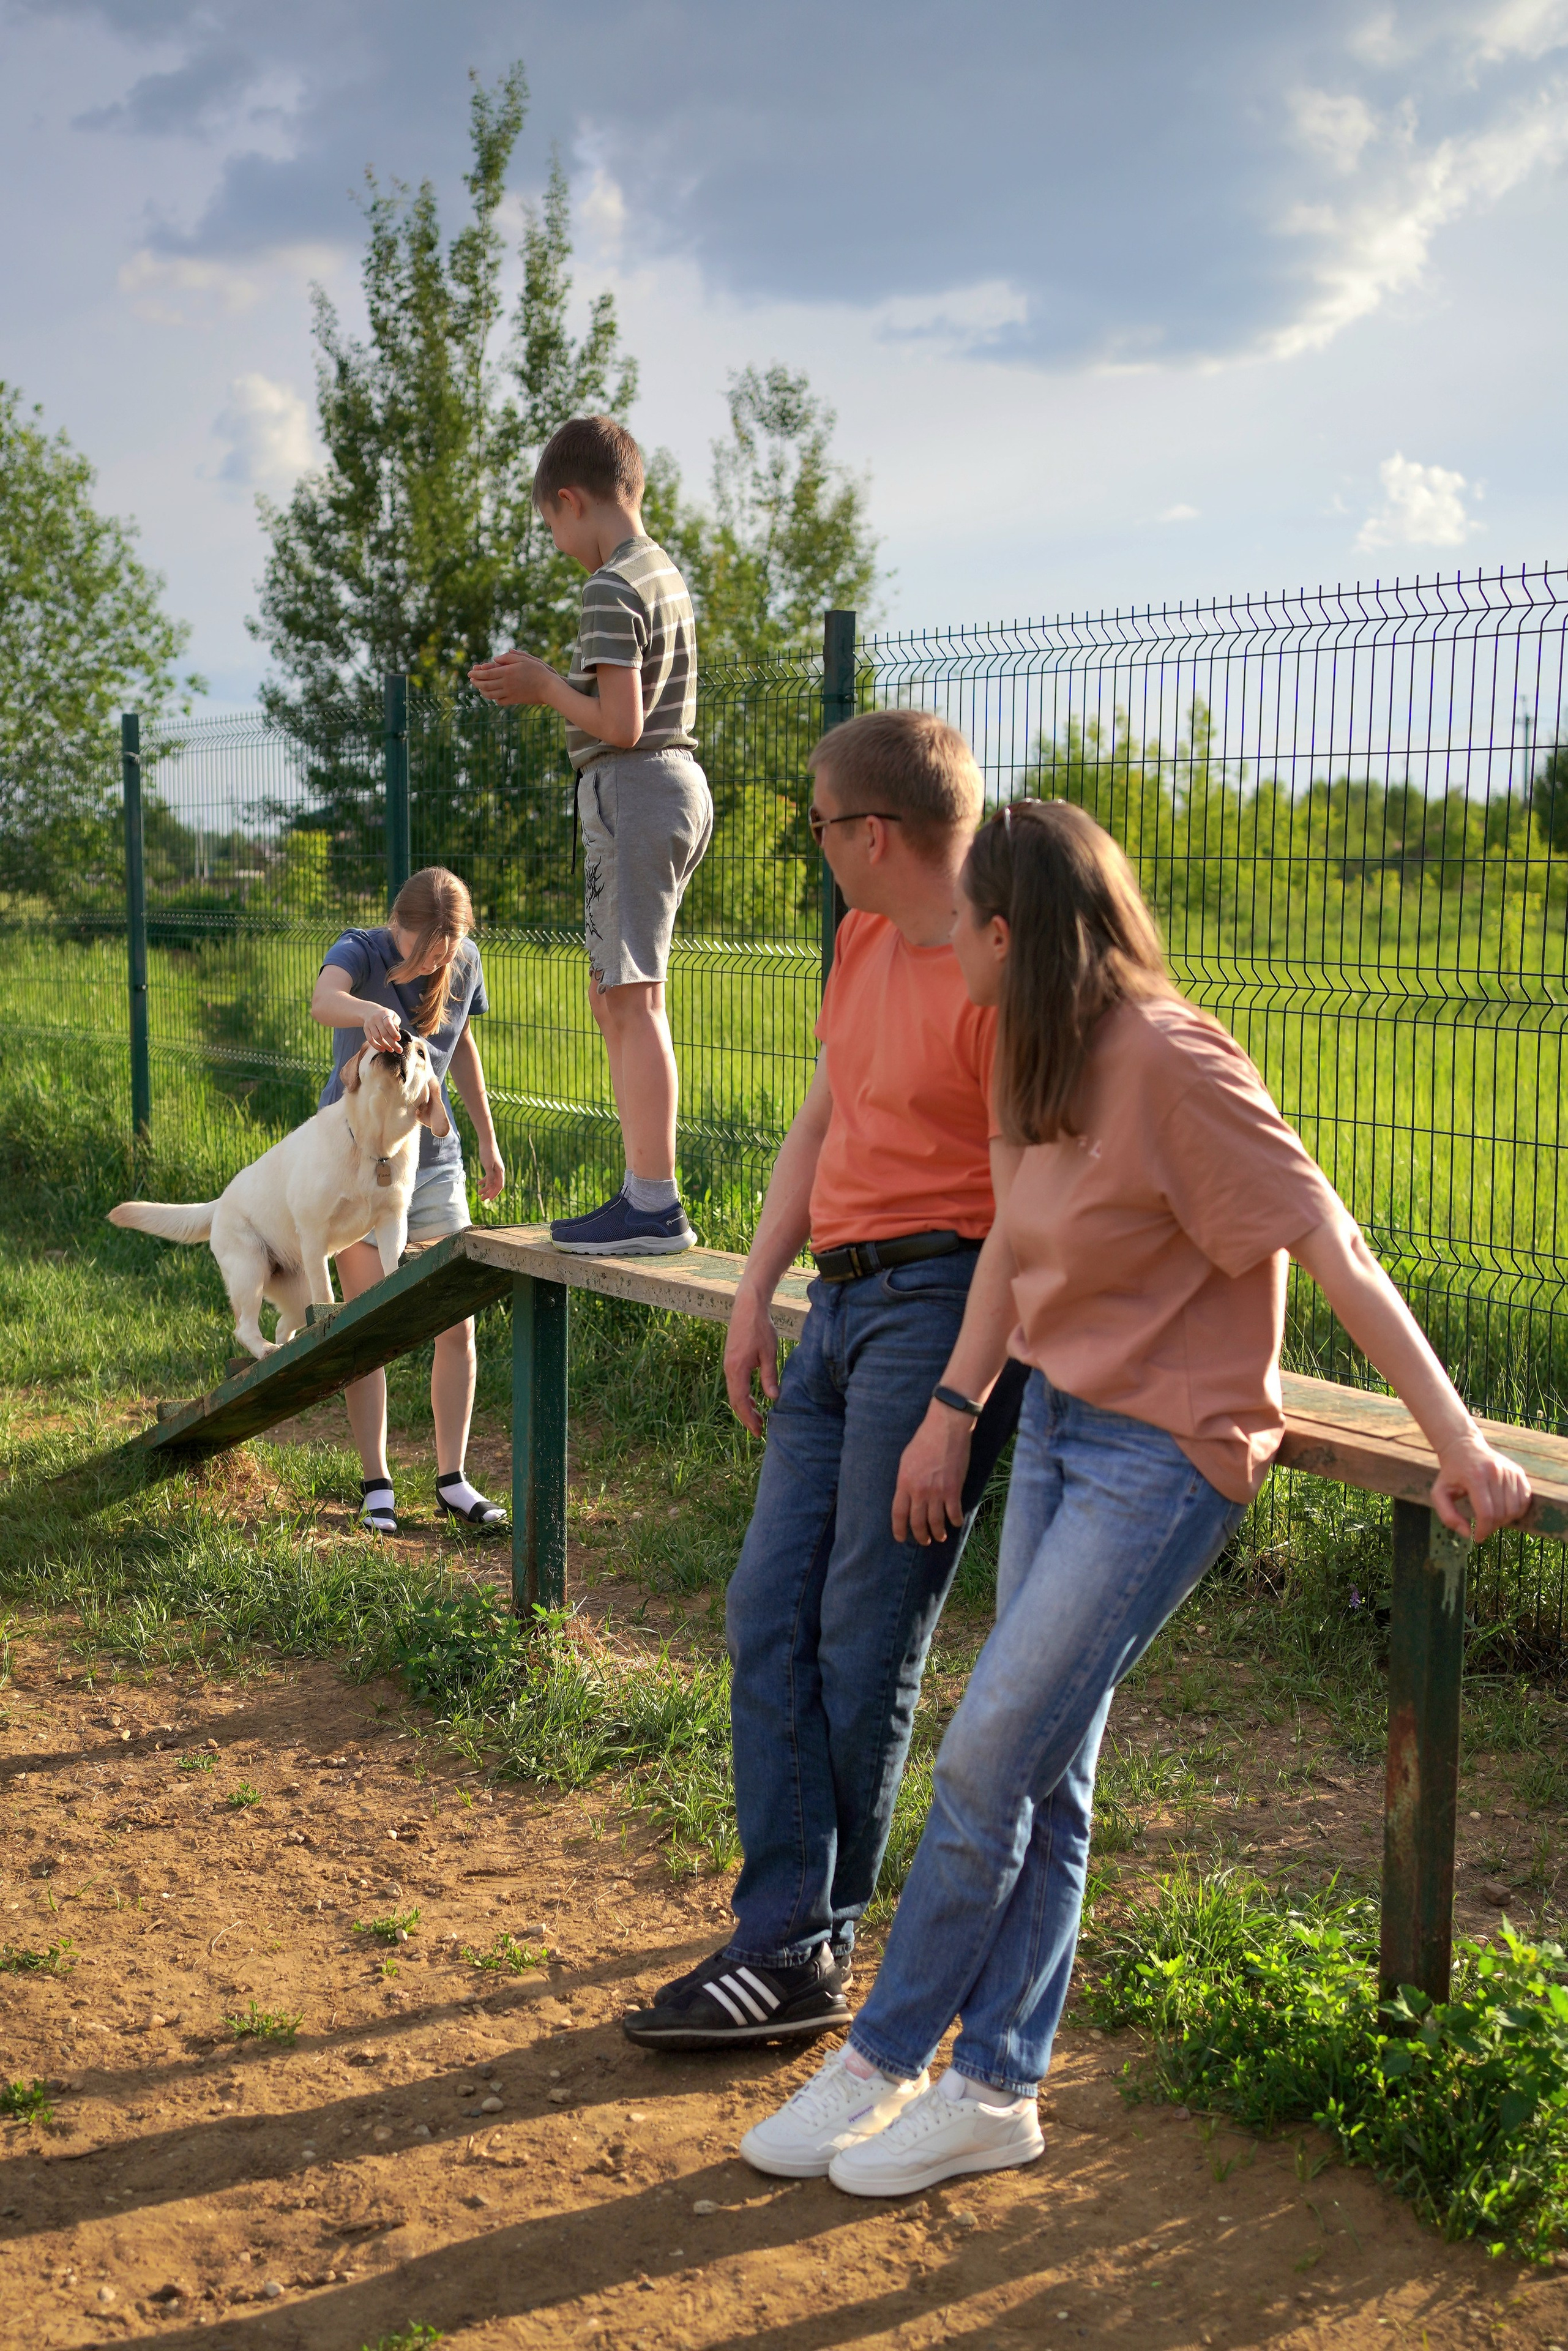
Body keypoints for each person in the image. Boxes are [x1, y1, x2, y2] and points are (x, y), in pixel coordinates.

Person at [739, 796, 1532, 2192]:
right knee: (1047, 1769)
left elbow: (1331, 1243)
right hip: (1051, 1423)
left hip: (1164, 1453)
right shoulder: (1033, 1050)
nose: (937, 944)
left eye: (959, 922)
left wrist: (1456, 1439)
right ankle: (996, 2089)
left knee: (988, 1752)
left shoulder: (1175, 1060)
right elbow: (1007, 1260)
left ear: (1005, 932)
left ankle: (883, 2052)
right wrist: (959, 1407)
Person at [621, 709, 1027, 2054]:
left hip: (942, 1312)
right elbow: (824, 1115)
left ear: (875, 834)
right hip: (842, 1300)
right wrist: (755, 1285)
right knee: (765, 1608)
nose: (811, 849)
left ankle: (802, 1944)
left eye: (814, 824)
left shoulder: (998, 964)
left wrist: (959, 1408)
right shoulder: (860, 938)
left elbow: (1025, 1215)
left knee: (864, 1634)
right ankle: (783, 1926)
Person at [469, 415, 711, 1257]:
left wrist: (541, 685)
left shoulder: (609, 586)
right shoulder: (664, 572)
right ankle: (645, 1192)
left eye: (551, 526)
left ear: (569, 501)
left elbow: (620, 719)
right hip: (671, 787)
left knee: (631, 997)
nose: (558, 542)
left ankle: (650, 1202)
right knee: (620, 996)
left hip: (635, 788)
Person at [309, 865, 507, 1536]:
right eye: (429, 951)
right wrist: (368, 1011)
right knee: (371, 1329)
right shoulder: (360, 950)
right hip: (356, 1166)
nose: (440, 964)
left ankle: (452, 1479)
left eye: (450, 952)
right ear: (402, 925)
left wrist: (487, 1138)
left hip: (434, 1161)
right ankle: (377, 1485)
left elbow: (463, 1047)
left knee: (459, 1323)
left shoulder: (464, 958)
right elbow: (322, 999)